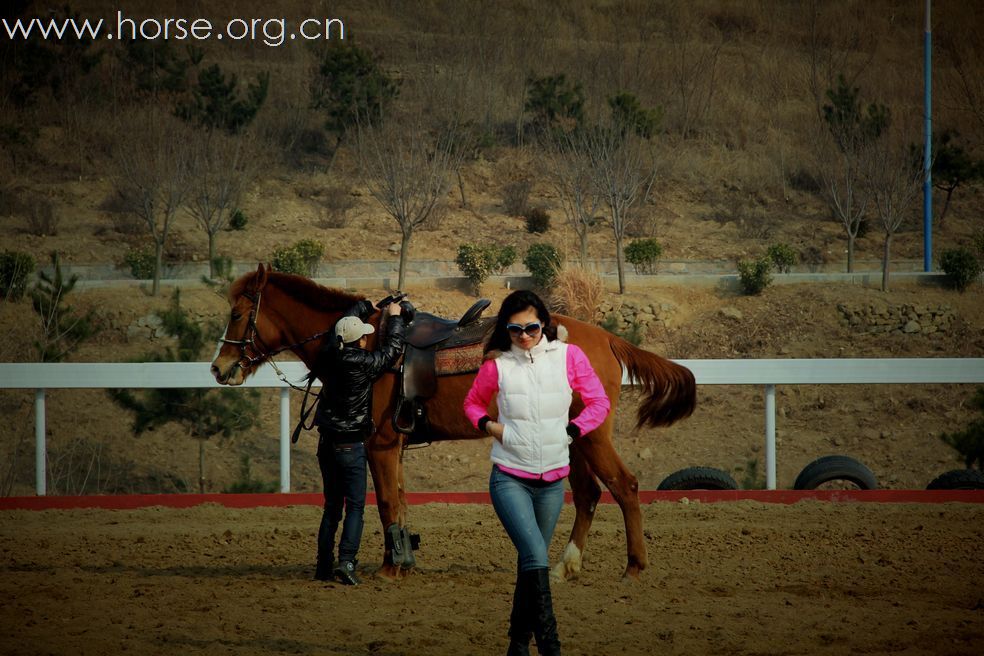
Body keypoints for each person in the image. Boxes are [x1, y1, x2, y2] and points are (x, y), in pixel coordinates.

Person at [463, 290, 610, 656]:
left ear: (543, 323)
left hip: (552, 483)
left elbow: (599, 402)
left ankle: (516, 644)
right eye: (515, 330)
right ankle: (550, 647)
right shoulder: (497, 366)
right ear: (507, 330)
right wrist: (492, 428)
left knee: (531, 564)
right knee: (535, 557)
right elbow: (472, 404)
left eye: (531, 327)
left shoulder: (570, 356)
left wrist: (574, 431)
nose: (524, 335)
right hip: (509, 477)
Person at [313, 297, 407, 585]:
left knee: (332, 507)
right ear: (361, 341)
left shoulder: (327, 355)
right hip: (350, 445)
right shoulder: (363, 363)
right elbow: (391, 351)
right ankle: (347, 562)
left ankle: (323, 565)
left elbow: (335, 332)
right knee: (355, 507)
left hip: (326, 443)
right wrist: (395, 318)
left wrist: (366, 305)